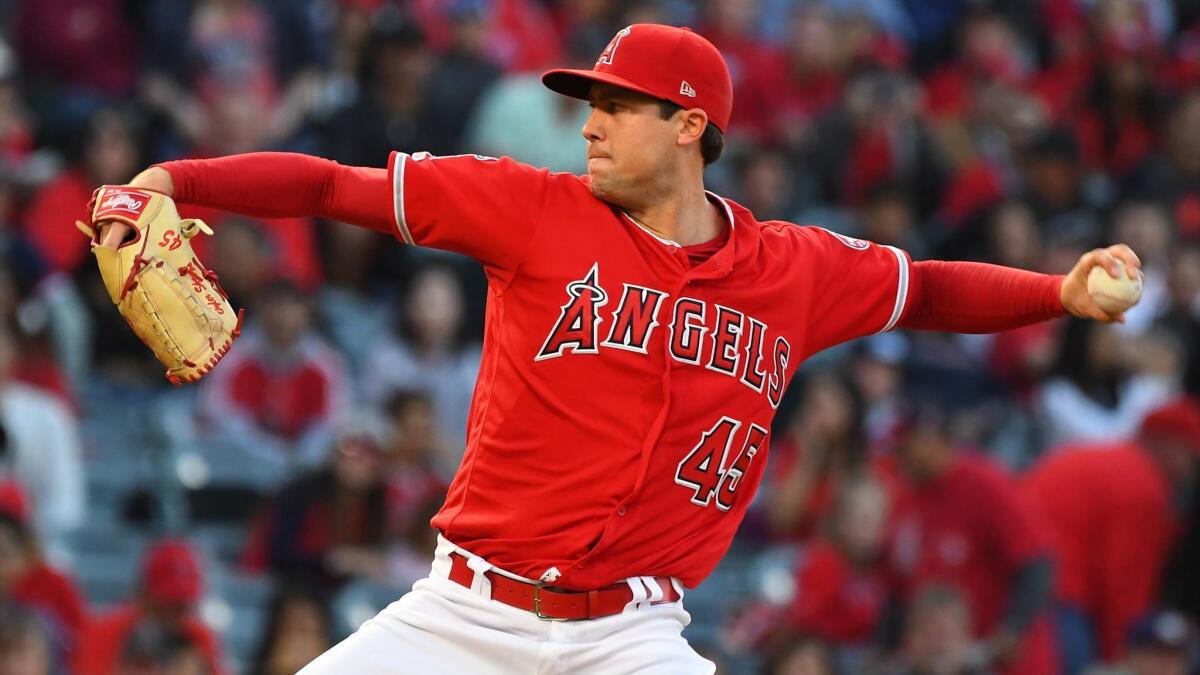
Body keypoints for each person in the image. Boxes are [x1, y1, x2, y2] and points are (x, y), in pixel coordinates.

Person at [96, 23, 1141, 674]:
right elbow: (332, 185)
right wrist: (179, 182)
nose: (589, 126)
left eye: (615, 107)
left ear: (691, 126)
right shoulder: (528, 208)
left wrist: (1056, 292)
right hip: (465, 615)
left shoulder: (796, 268)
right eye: (588, 105)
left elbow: (928, 290)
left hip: (633, 638)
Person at [1023, 398, 1200, 673]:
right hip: (1058, 591)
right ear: (1169, 445)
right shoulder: (1141, 485)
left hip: (1034, 581)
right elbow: (1122, 580)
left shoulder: (1114, 459)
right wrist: (1119, 654)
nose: (1192, 468)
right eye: (1191, 455)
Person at [73, 539, 224, 675]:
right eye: (169, 602)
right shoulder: (105, 632)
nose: (177, 610)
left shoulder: (199, 637)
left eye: (183, 603)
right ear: (145, 592)